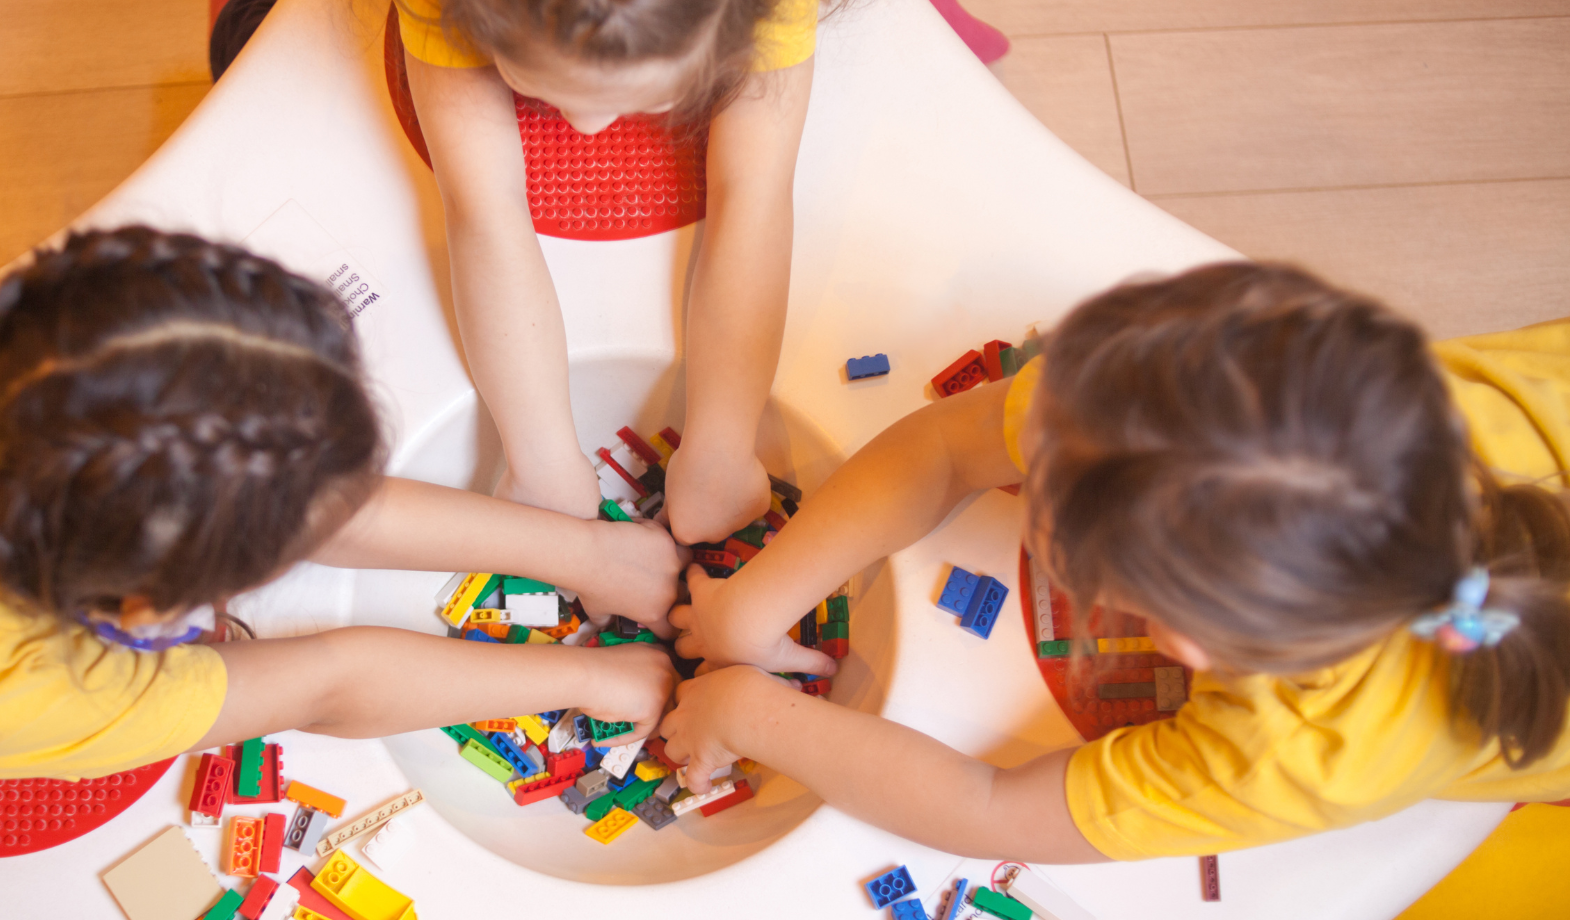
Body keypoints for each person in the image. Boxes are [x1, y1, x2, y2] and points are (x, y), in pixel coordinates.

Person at [0, 227, 682, 917]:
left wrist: (581, 550)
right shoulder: (3, 680)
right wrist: (592, 677)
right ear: (140, 612)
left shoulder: (18, 358)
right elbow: (326, 684)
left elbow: (277, 484)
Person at [659, 262, 1570, 862]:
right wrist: (750, 606)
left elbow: (993, 812)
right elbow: (950, 444)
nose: (1011, 433)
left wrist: (752, 713)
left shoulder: (1299, 755)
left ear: (1180, 640)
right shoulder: (1276, 405)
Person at [211, 0, 926, 545]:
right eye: (543, 85)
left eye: (647, 98)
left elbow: (756, 191)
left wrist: (722, 447)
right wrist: (539, 462)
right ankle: (250, 25)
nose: (589, 127)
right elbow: (483, 207)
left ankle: (931, 11)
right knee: (289, 74)